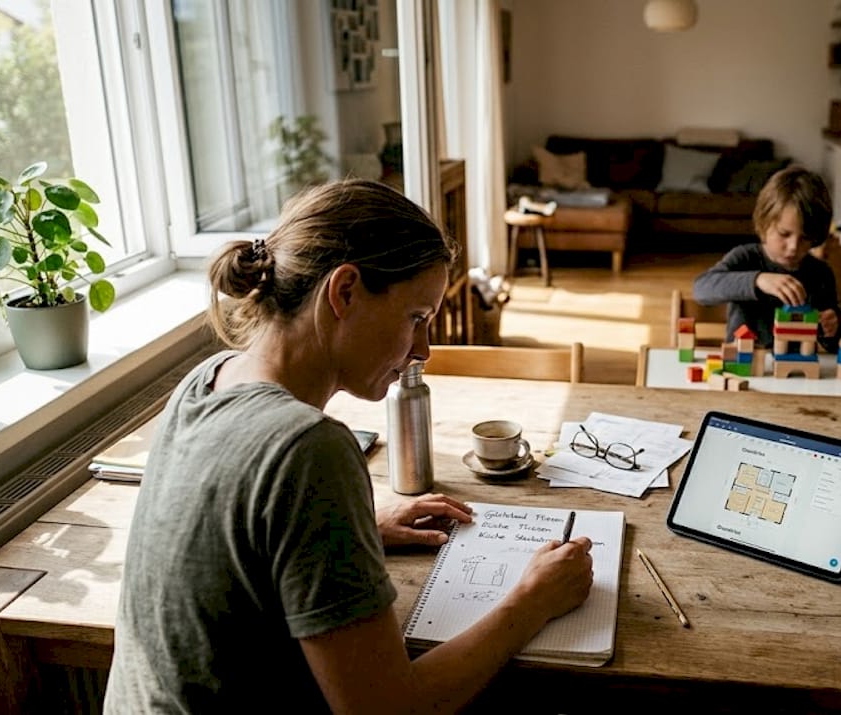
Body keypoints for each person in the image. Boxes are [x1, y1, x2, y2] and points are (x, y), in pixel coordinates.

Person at [104, 179, 594, 713]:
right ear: (344, 292)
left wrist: (354, 532)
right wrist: (531, 601)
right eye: (417, 318)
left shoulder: (207, 379)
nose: (424, 349)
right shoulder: (309, 449)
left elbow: (231, 547)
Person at [692, 166, 841, 353]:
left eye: (804, 238)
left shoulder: (820, 274)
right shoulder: (745, 258)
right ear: (765, 223)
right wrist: (758, 280)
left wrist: (831, 330)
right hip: (744, 366)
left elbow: (836, 345)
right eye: (784, 233)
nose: (793, 247)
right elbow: (701, 289)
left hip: (794, 371)